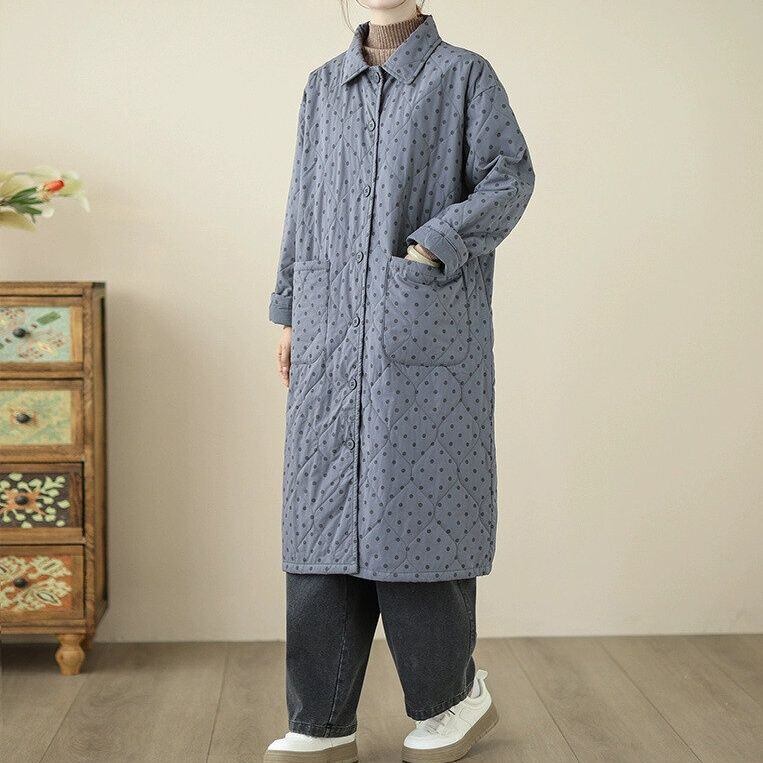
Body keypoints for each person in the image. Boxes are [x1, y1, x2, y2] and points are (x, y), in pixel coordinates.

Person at [266, 1, 535, 760]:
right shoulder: (323, 86)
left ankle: (452, 699)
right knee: (321, 515)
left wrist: (431, 245)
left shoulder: (463, 77)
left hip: (424, 325)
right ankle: (319, 719)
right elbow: (303, 199)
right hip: (326, 324)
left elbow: (509, 179)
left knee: (417, 508)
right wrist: (288, 309)